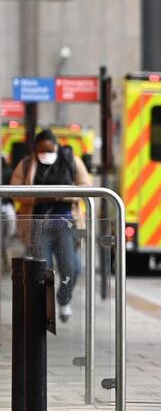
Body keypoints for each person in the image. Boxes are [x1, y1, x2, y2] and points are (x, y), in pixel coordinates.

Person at [11, 129, 92, 323]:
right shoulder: (27, 163)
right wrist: (38, 197)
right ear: (35, 149)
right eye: (41, 150)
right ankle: (44, 311)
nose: (45, 153)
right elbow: (13, 190)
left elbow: (87, 188)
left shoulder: (72, 160)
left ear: (56, 146)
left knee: (72, 267)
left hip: (65, 223)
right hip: (38, 225)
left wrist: (60, 195)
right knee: (42, 269)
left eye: (49, 149)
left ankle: (64, 298)